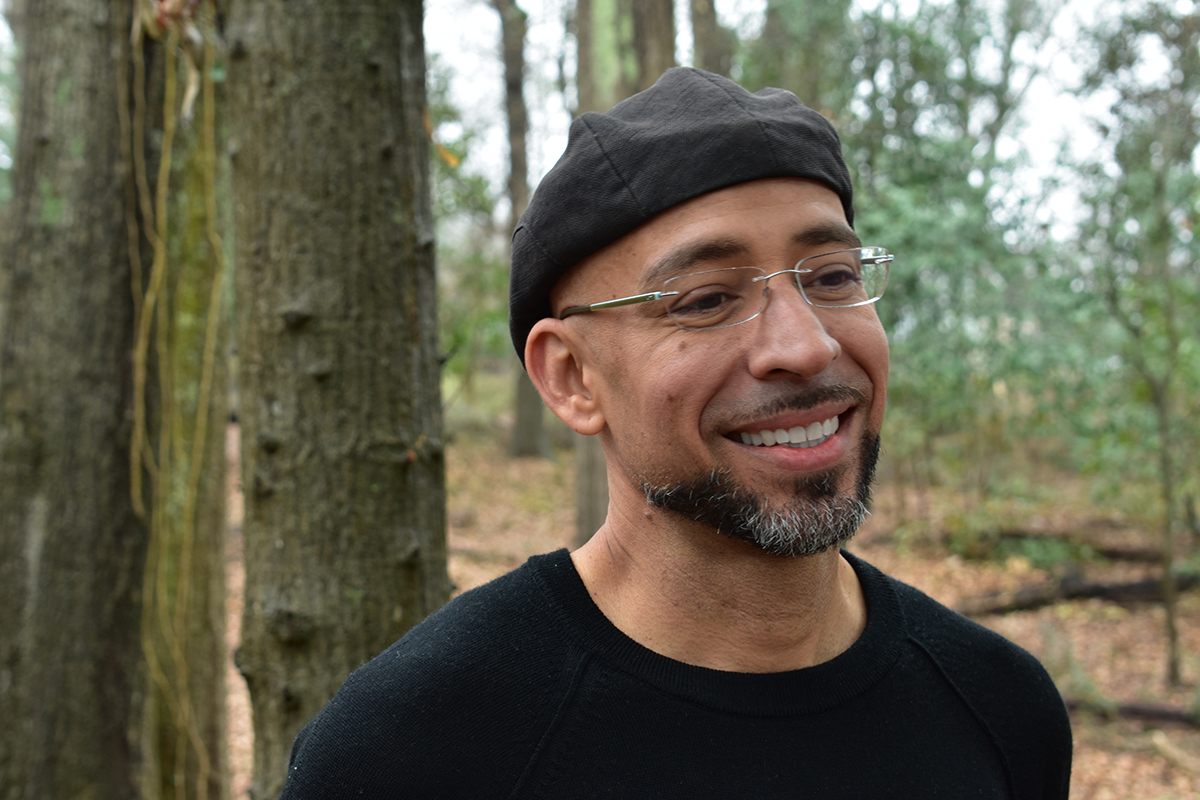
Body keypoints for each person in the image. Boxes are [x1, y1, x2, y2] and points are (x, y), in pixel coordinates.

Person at [279, 67, 1072, 799]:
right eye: (703, 300)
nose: (805, 346)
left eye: (833, 277)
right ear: (571, 377)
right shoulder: (410, 749)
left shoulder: (1000, 708)